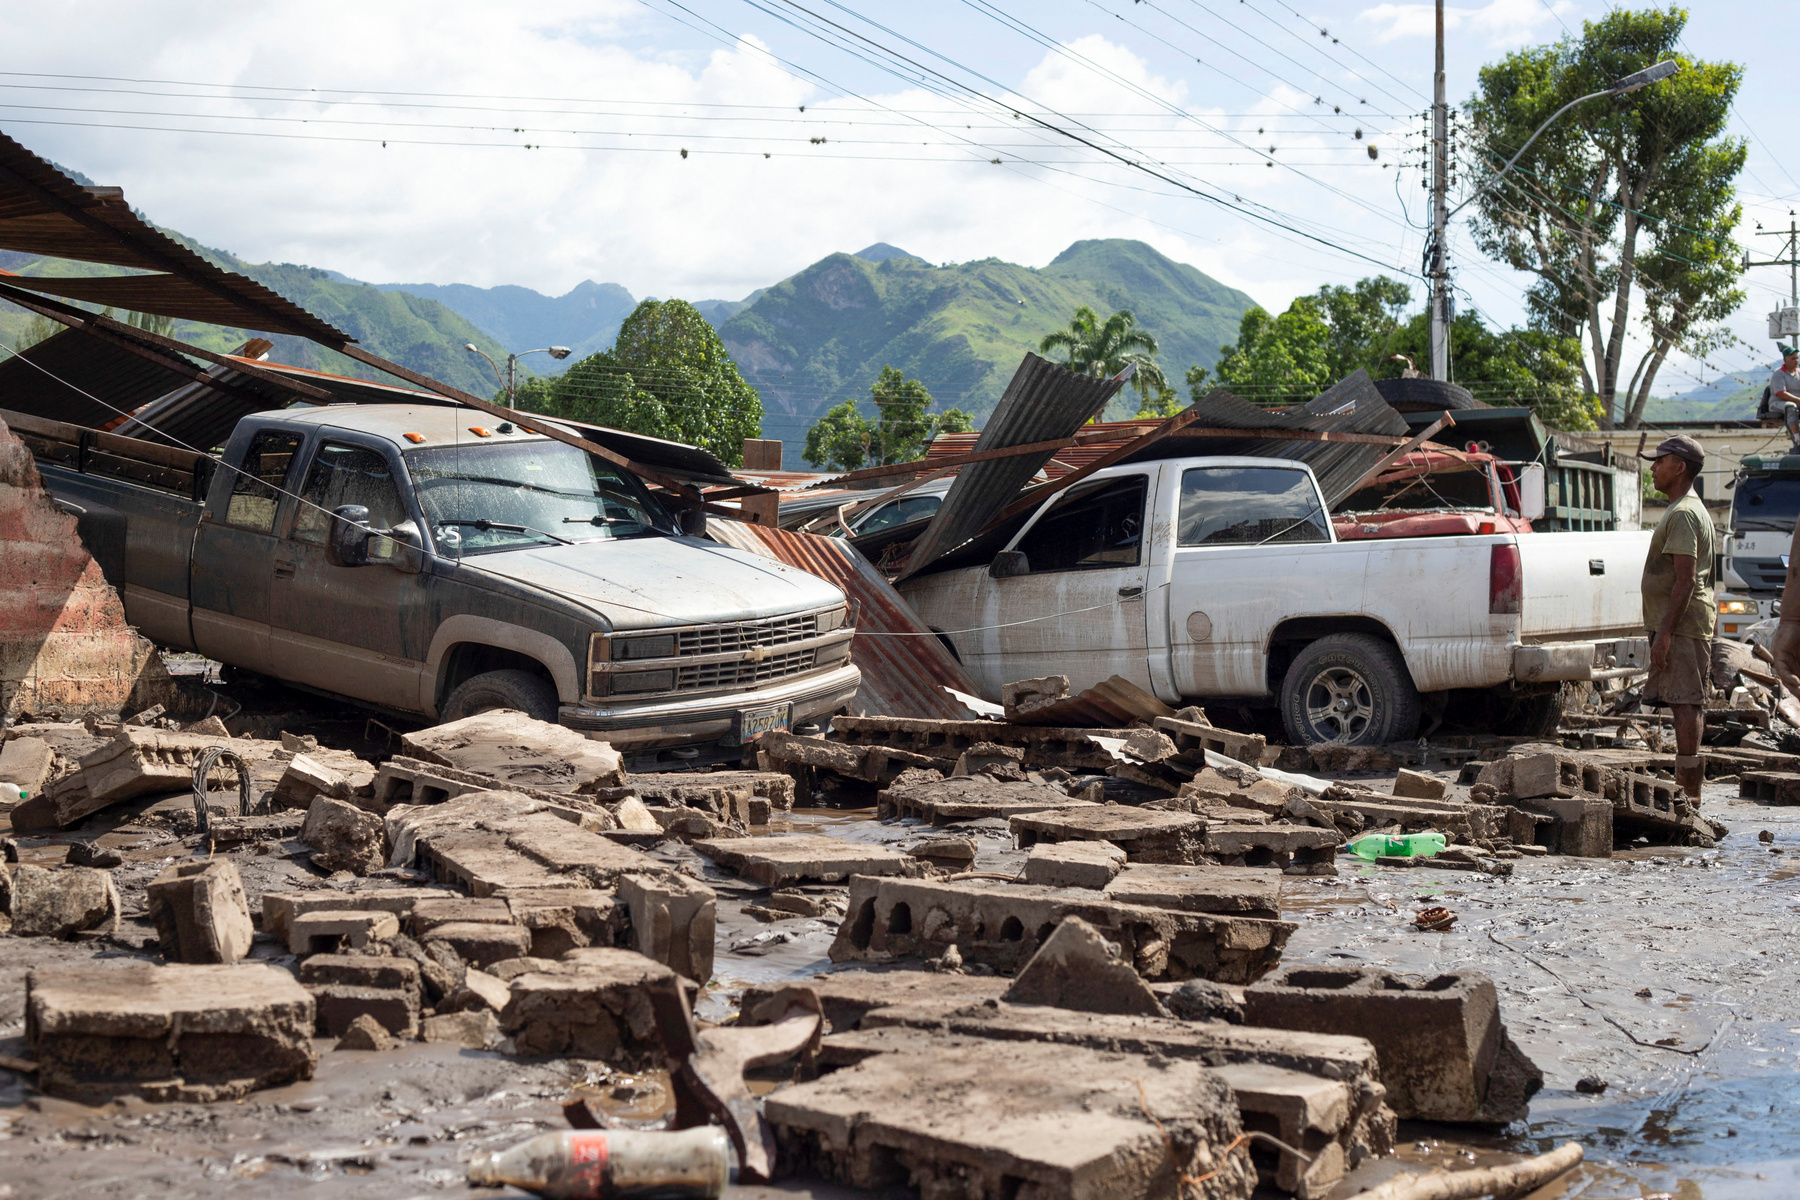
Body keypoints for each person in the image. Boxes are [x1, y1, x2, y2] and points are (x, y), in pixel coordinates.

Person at [1639, 435, 1716, 799]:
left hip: (1683, 625)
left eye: (1660, 461)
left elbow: (1685, 581)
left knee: (1685, 701)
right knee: (1682, 699)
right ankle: (1689, 790)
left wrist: (1666, 632)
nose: (1653, 467)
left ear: (1680, 467)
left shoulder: (1684, 513)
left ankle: (1690, 794)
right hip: (1681, 624)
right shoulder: (1683, 509)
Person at [1767, 345, 1800, 447]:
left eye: (1797, 358)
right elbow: (1782, 394)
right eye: (1793, 358)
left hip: (1797, 401)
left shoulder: (1798, 373)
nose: (1796, 361)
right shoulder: (1779, 374)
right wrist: (1799, 400)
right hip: (1778, 403)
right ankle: (1797, 436)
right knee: (1791, 406)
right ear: (1785, 360)